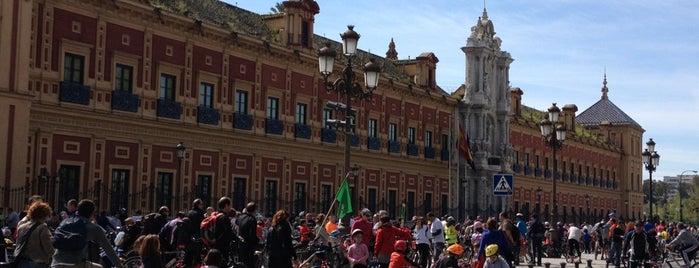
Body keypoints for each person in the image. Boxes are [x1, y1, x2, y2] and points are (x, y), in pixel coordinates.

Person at [51, 199, 122, 268]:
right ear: (92, 214)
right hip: (76, 263)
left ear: (78, 211)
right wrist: (119, 265)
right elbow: (108, 249)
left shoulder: (65, 222)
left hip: (56, 263)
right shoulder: (92, 227)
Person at [14, 201, 54, 268]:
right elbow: (48, 247)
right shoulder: (42, 228)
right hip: (37, 263)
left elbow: (18, 244)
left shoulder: (21, 227)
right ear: (44, 215)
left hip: (22, 262)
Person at [212, 197, 235, 265]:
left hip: (214, 243)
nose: (231, 207)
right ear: (226, 205)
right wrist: (236, 238)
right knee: (223, 264)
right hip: (223, 245)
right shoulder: (224, 217)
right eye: (230, 205)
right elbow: (229, 231)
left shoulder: (216, 215)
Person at [238, 202, 260, 268]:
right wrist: (257, 240)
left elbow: (237, 222)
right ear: (255, 210)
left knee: (241, 264)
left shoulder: (241, 217)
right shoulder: (252, 219)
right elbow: (252, 235)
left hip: (241, 244)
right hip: (248, 246)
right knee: (249, 264)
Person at [185, 198, 206, 267]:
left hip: (188, 237)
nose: (202, 206)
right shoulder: (200, 213)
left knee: (188, 257)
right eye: (201, 204)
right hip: (197, 238)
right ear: (198, 205)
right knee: (196, 258)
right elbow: (203, 226)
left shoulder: (189, 213)